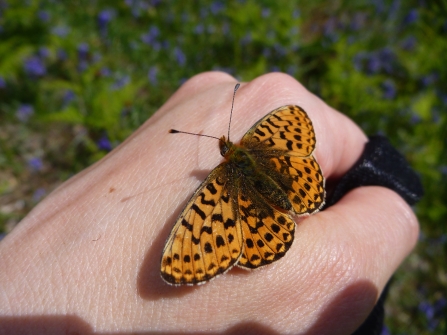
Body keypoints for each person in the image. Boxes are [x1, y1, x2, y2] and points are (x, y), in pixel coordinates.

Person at [0, 72, 419, 334]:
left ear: (224, 155)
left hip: (262, 208)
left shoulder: (214, 188)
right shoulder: (259, 138)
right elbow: (293, 118)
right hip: (294, 177)